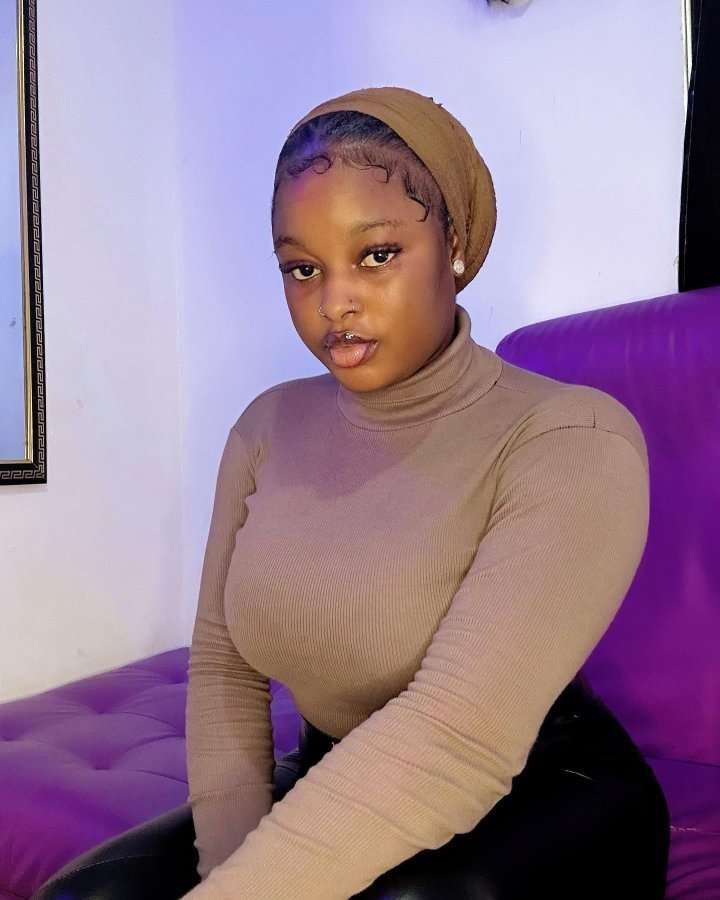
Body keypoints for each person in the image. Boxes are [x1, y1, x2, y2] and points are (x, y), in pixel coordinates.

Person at [33, 85, 669, 900]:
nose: (334, 302)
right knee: (82, 896)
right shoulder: (267, 426)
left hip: (539, 784)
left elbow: (458, 736)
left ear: (455, 244)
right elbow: (225, 667)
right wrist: (227, 862)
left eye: (376, 255)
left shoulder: (571, 436)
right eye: (303, 268)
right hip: (335, 766)